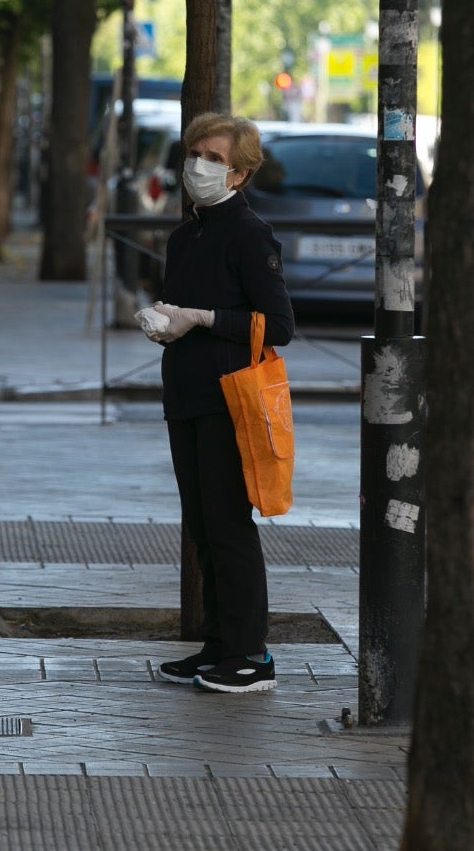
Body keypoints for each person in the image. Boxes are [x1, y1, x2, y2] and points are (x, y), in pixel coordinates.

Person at [142, 112, 294, 694]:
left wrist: (203, 319)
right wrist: (164, 321)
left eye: (212, 158)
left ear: (240, 174)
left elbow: (277, 324)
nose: (197, 166)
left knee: (229, 526)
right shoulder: (187, 234)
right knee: (202, 526)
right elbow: (184, 307)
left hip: (231, 396)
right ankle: (219, 644)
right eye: (194, 154)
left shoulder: (248, 233)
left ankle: (251, 654)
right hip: (186, 394)